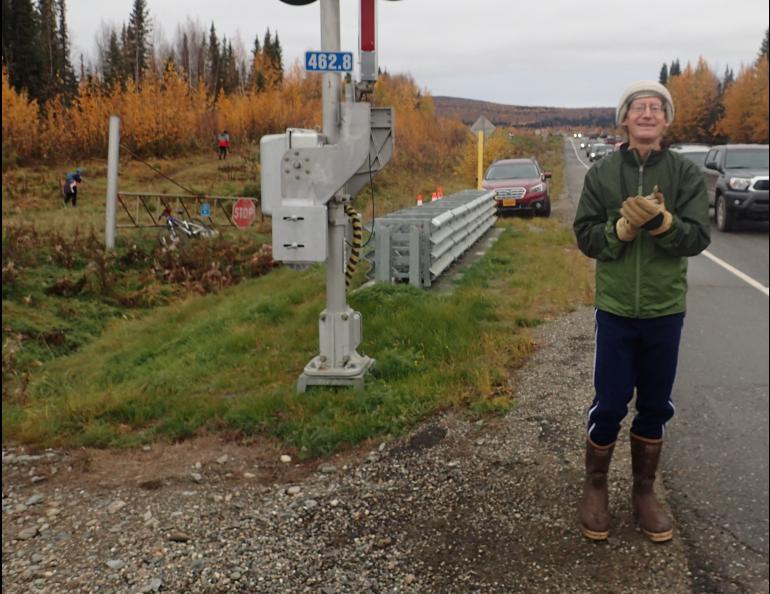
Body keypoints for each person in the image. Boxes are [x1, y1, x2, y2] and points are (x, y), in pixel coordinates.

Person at [572, 81, 710, 543]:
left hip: (664, 308)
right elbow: (586, 237)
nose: (648, 114)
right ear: (625, 119)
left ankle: (644, 492)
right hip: (615, 309)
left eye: (657, 108)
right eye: (639, 108)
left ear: (666, 121)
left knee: (654, 405)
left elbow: (697, 237)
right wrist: (621, 232)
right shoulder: (602, 175)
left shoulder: (685, 175)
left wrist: (665, 224)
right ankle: (595, 487)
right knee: (609, 404)